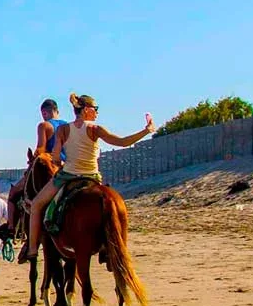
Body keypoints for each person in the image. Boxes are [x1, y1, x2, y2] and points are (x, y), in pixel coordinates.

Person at [23, 93, 155, 261]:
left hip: (68, 176)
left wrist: (56, 159)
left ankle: (32, 249)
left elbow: (55, 157)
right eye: (96, 109)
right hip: (93, 177)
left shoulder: (64, 130)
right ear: (86, 110)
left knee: (36, 205)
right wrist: (146, 130)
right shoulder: (95, 129)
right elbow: (122, 142)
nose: (97, 113)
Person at [3, 99, 67, 238]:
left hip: (52, 165)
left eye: (43, 113)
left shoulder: (44, 126)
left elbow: (41, 149)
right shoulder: (68, 126)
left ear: (44, 112)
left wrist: (33, 158)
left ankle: (12, 228)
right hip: (69, 166)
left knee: (14, 193)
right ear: (57, 111)